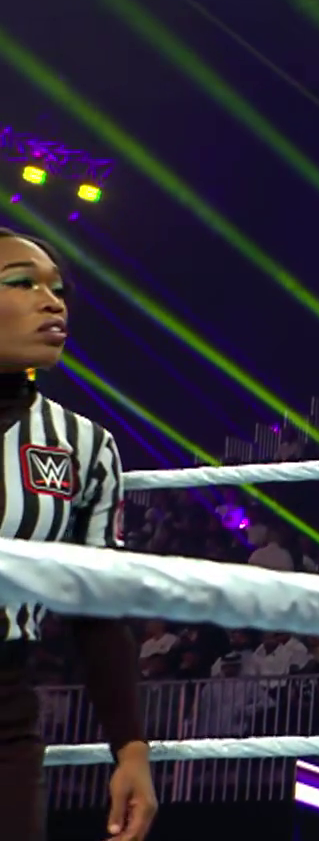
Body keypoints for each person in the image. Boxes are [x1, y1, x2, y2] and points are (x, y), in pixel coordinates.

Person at [0, 229, 156, 840]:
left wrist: (131, 749)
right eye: (22, 283)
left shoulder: (83, 446)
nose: (52, 302)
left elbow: (97, 608)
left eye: (58, 289)